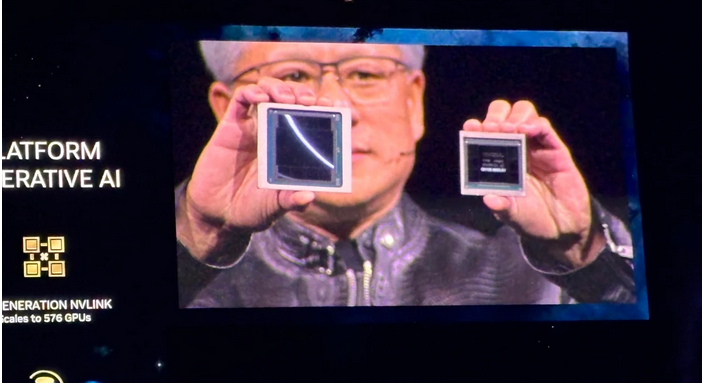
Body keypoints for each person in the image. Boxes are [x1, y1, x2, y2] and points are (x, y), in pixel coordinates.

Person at [175, 41, 635, 308]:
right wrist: (197, 235)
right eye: (293, 76)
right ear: (226, 108)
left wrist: (582, 252)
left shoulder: (534, 281)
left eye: (366, 75)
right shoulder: (183, 265)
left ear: (414, 102)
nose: (340, 109)